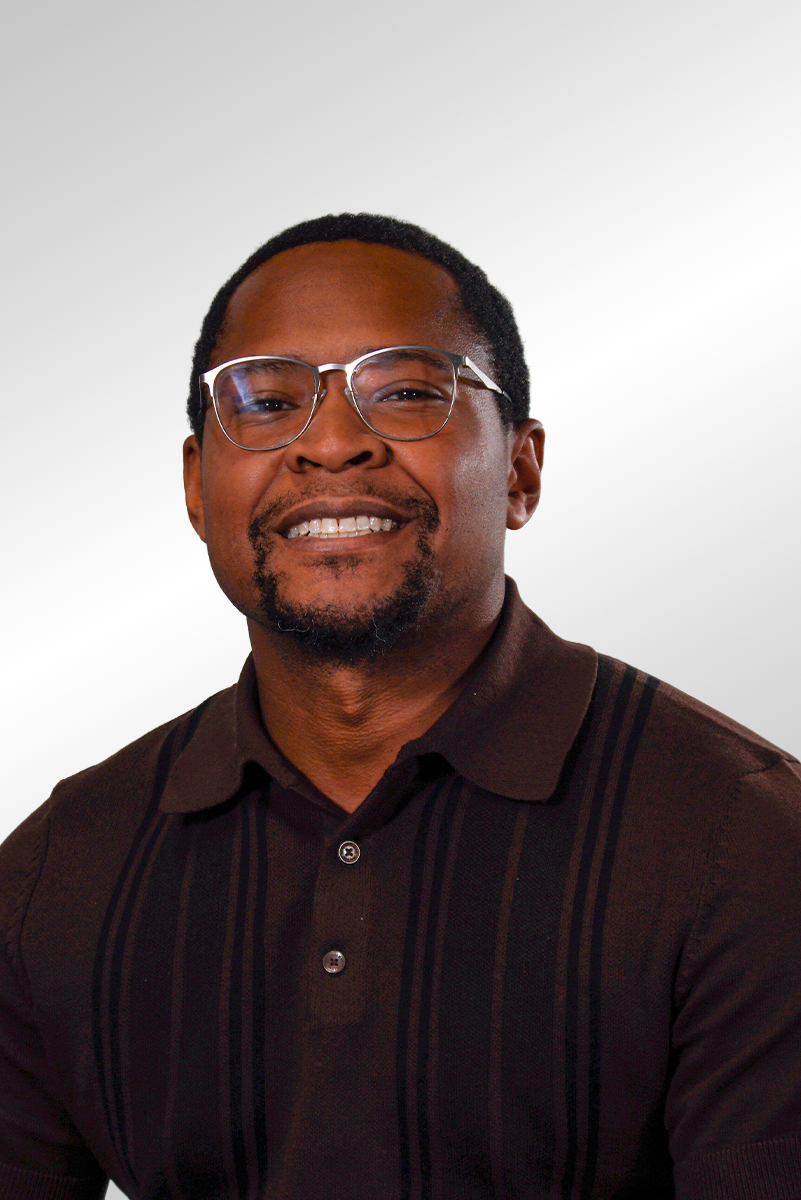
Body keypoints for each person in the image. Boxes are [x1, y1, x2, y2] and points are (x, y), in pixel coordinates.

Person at [0, 213, 799, 1200]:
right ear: (197, 487)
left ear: (521, 471)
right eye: (266, 400)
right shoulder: (59, 870)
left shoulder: (745, 840)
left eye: (408, 392)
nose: (333, 444)